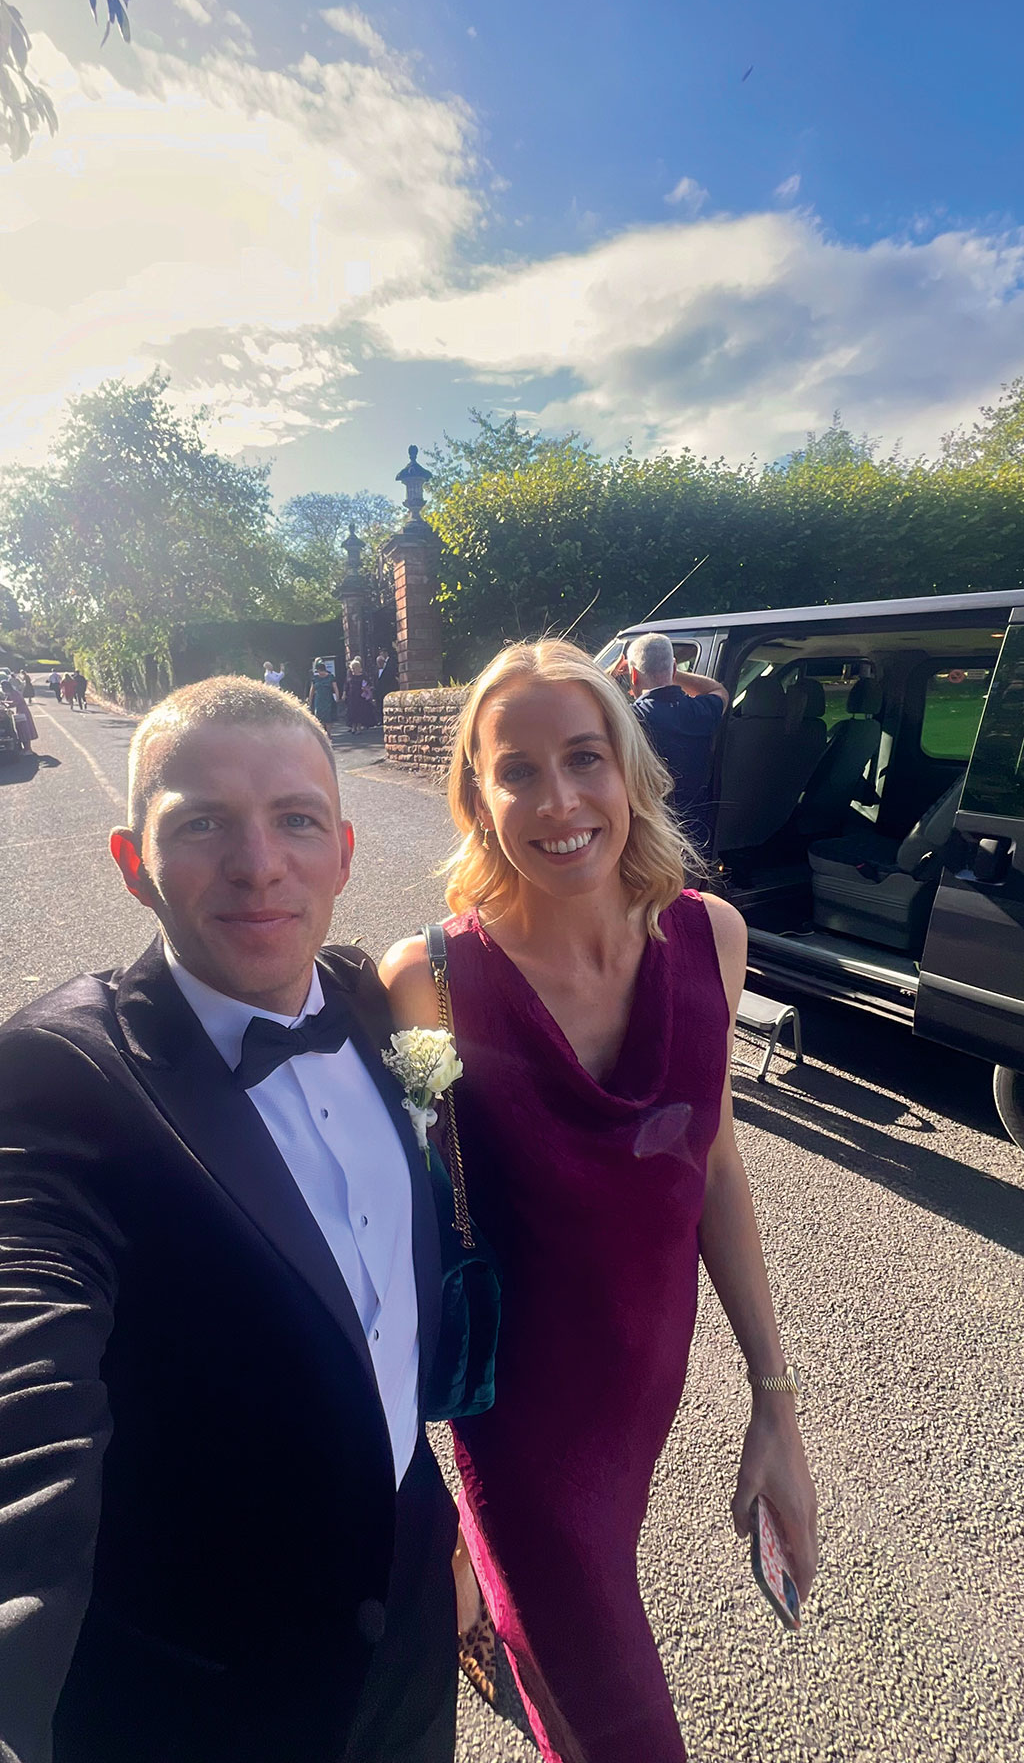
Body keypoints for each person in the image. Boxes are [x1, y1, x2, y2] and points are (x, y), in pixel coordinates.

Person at [0, 678, 459, 1763]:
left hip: (408, 1634)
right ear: (131, 864)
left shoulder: (371, 1005)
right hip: (204, 1699)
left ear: (345, 854)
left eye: (296, 820)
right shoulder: (50, 1084)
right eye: (202, 823)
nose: (259, 864)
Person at [381, 639, 817, 1763]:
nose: (561, 799)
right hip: (519, 1421)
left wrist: (775, 1406)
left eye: (586, 758)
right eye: (516, 769)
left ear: (632, 772)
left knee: (577, 1654)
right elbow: (397, 1225)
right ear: (476, 794)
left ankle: (510, 1614)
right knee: (626, 1729)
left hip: (645, 1390)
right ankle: (496, 1568)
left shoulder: (710, 938)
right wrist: (420, 1499)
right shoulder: (427, 982)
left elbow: (713, 1162)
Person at [616, 632, 729, 852]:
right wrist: (671, 672)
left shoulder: (630, 720)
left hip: (650, 839)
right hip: (696, 837)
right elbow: (719, 690)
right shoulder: (700, 711)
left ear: (633, 674)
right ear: (675, 668)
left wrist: (610, 675)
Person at [0, 677, 37, 752]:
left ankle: (28, 749)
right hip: (20, 711)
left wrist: (4, 702)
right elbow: (10, 703)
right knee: (21, 731)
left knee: (25, 730)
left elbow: (15, 702)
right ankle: (26, 749)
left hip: (23, 711)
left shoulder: (14, 693)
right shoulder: (11, 693)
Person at [345, 657, 376, 735]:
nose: (352, 670)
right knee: (352, 711)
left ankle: (358, 727)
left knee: (359, 711)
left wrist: (365, 688)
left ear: (357, 668)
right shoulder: (350, 676)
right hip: (351, 696)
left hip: (360, 696)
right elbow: (347, 685)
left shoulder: (363, 676)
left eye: (353, 668)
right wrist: (344, 693)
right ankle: (353, 727)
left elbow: (369, 684)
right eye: (351, 669)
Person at [308, 658, 338, 730]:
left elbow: (335, 687)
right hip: (319, 700)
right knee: (319, 716)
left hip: (328, 699)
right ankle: (322, 733)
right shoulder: (315, 678)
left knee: (328, 717)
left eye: (322, 670)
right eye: (319, 670)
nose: (320, 672)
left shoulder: (330, 677)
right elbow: (312, 690)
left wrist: (337, 697)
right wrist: (310, 701)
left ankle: (329, 734)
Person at [374, 648, 399, 719]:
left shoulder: (390, 662)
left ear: (386, 653)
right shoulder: (378, 668)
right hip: (382, 689)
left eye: (382, 653)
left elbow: (391, 673)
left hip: (389, 686)